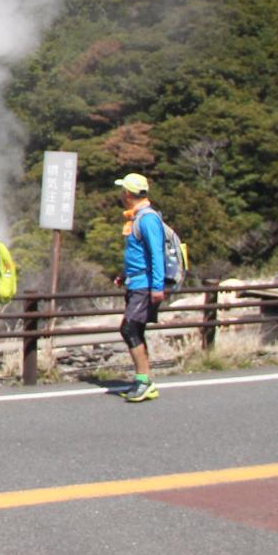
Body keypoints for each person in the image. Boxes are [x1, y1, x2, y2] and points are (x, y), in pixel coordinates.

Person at [114, 172, 164, 403]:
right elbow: (139, 254)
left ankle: (144, 381)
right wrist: (124, 274)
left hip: (144, 284)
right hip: (136, 281)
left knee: (129, 329)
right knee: (137, 331)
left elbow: (156, 254)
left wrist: (157, 286)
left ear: (127, 193)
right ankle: (144, 380)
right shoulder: (137, 218)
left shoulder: (147, 219)